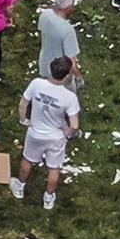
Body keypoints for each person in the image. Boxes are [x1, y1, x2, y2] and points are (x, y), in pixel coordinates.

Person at [16, 56, 81, 211]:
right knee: (54, 168)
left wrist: (23, 120)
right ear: (66, 76)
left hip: (36, 132)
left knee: (28, 160)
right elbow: (75, 125)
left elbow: (23, 103)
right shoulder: (69, 97)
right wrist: (68, 132)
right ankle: (48, 197)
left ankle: (19, 186)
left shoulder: (36, 84)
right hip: (56, 137)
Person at [37, 0, 83, 88]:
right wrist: (79, 77)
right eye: (73, 4)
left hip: (44, 65)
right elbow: (71, 60)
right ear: (67, 7)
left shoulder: (45, 14)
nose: (74, 6)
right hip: (61, 74)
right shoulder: (67, 30)